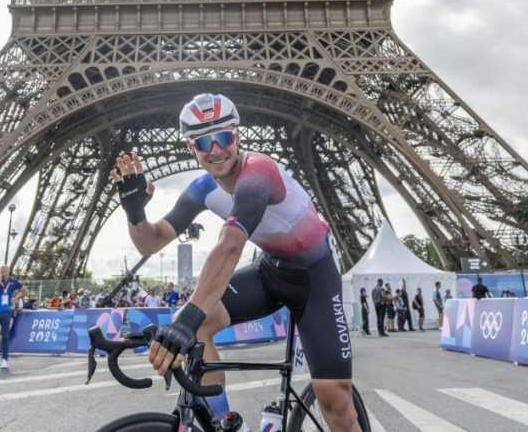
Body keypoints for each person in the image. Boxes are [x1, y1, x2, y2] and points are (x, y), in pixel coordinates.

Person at [113, 93, 359, 431]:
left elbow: (230, 245)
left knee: (333, 396)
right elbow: (151, 242)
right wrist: (135, 212)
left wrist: (186, 316)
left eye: (223, 137)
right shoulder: (201, 189)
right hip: (270, 272)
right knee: (199, 326)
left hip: (314, 280)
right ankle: (224, 422)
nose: (215, 149)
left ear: (237, 136)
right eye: (203, 142)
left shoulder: (260, 171)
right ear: (191, 148)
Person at [0, 265, 23, 370]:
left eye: (5, 271)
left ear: (9, 271)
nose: (3, 272)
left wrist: (15, 298)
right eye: (1, 271)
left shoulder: (14, 282)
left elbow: (25, 291)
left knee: (5, 337)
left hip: (6, 313)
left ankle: (4, 360)